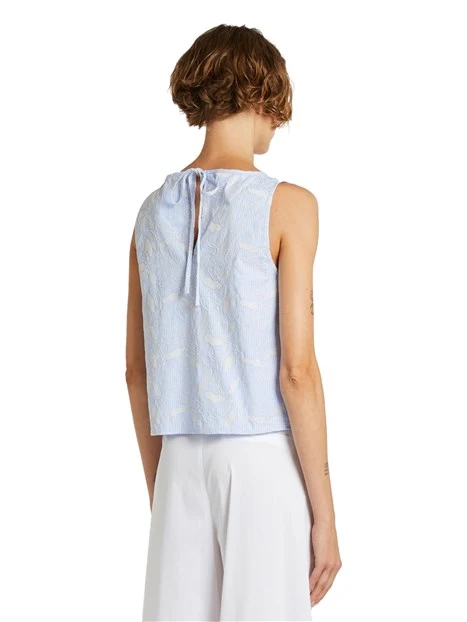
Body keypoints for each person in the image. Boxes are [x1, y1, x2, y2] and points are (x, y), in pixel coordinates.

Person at [125, 23, 342, 622]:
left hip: (176, 459)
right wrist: (324, 514)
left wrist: (162, 487)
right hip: (261, 462)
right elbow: (297, 372)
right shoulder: (290, 205)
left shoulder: (149, 215)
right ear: (262, 93)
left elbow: (136, 373)